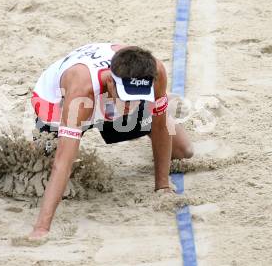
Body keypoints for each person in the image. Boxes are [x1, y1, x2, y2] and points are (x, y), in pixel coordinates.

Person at [29, 43, 194, 239]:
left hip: (108, 103)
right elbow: (62, 164)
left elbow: (160, 126)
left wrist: (163, 186)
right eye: (126, 97)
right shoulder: (81, 88)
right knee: (43, 170)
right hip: (61, 103)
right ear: (110, 81)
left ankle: (158, 106)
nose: (130, 104)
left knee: (184, 151)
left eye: (136, 98)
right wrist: (41, 229)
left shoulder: (155, 71)